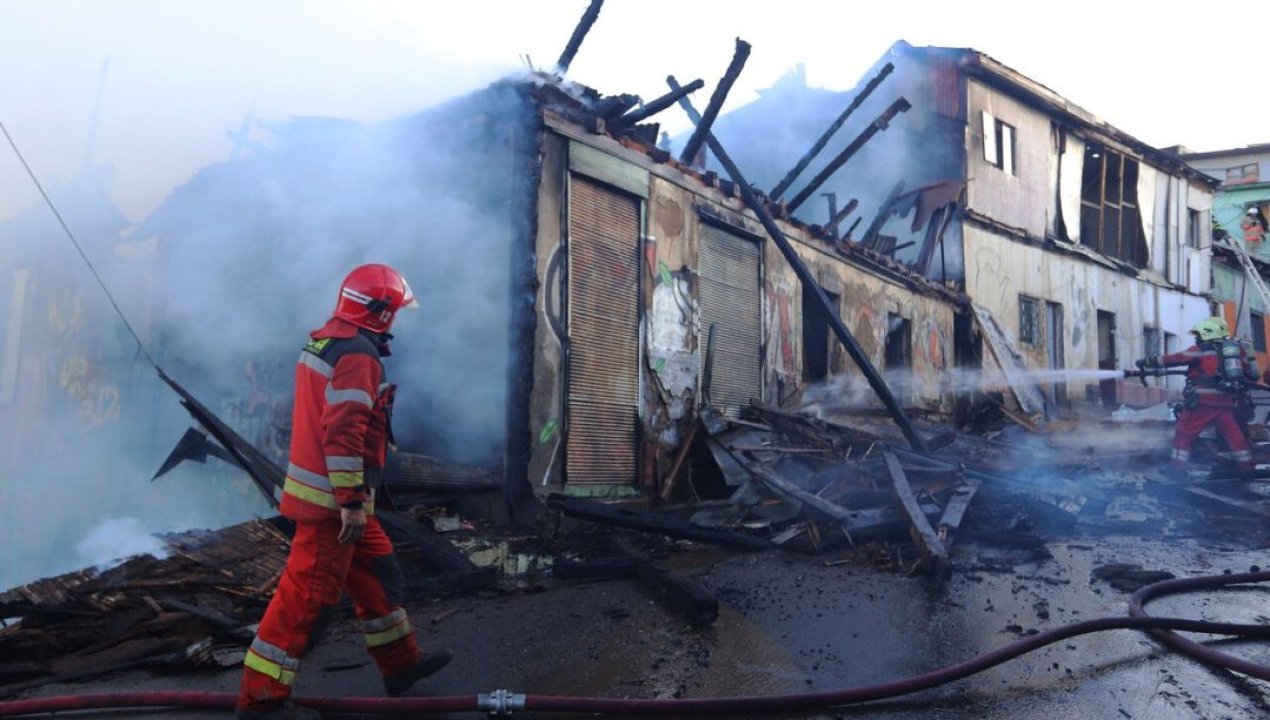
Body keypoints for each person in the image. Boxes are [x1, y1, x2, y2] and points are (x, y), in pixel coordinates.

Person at [236, 263, 452, 720]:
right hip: (334, 508)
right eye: (395, 311)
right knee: (304, 600)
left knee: (378, 575)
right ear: (380, 313)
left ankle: (400, 667)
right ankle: (261, 700)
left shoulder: (326, 341)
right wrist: (351, 502)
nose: (398, 320)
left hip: (339, 501)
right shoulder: (357, 356)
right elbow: (343, 434)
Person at [1137, 316, 1255, 477]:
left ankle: (1177, 468)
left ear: (1207, 334)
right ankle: (1246, 466)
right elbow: (1247, 373)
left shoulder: (1201, 349)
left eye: (1199, 335)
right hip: (1226, 402)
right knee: (1233, 434)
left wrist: (1148, 361)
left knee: (1184, 433)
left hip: (1202, 404)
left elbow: (1175, 359)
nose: (1197, 338)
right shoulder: (1236, 351)